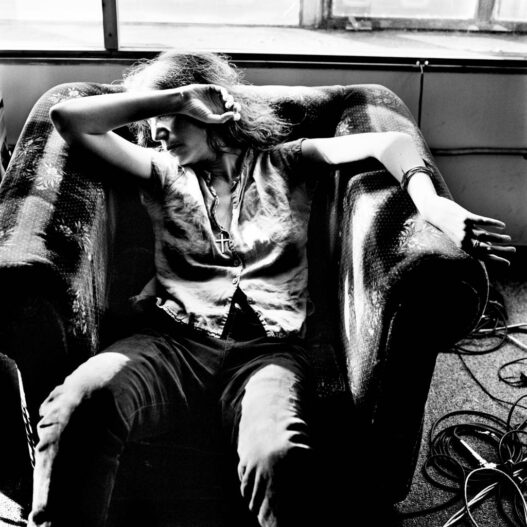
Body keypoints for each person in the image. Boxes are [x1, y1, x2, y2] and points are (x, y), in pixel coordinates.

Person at [28, 51, 514, 527]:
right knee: (78, 406)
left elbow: (389, 141)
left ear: (214, 112)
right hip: (169, 342)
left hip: (267, 351)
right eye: (150, 121)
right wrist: (171, 100)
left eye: (167, 120)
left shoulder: (285, 161)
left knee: (278, 457)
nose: (155, 132)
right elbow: (67, 119)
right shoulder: (160, 169)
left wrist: (435, 206)